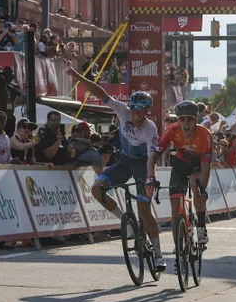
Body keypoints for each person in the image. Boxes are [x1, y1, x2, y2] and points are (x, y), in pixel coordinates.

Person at [67, 67, 164, 271]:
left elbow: (152, 158)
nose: (136, 114)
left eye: (140, 111)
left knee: (144, 210)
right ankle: (125, 222)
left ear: (147, 111)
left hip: (142, 166)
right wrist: (78, 77)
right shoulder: (122, 111)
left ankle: (158, 254)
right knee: (96, 189)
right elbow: (100, 93)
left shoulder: (150, 129)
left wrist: (149, 179)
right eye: (134, 110)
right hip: (124, 162)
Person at [146, 101, 213, 264]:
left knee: (196, 186)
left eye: (189, 119)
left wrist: (202, 189)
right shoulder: (172, 130)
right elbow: (153, 157)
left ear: (196, 119)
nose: (185, 123)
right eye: (181, 119)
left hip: (199, 164)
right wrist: (150, 177)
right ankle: (178, 246)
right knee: (176, 208)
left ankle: (201, 226)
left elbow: (206, 168)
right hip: (181, 164)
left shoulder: (205, 134)